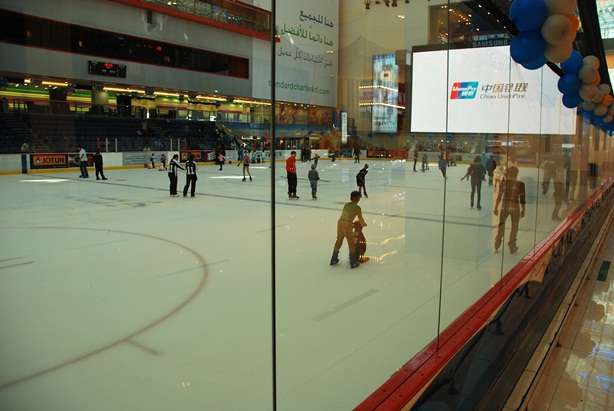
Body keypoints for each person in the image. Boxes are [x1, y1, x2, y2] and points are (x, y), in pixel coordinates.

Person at [330, 191, 367, 269]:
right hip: (347, 225)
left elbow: (347, 214)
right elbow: (360, 219)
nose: (359, 199)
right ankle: (353, 262)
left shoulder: (346, 205)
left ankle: (333, 259)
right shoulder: (357, 208)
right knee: (351, 243)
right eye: (359, 197)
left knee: (339, 241)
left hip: (340, 223)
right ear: (356, 198)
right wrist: (363, 224)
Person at [494, 166, 526, 254]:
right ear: (517, 174)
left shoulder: (504, 182)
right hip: (515, 208)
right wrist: (523, 209)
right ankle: (512, 246)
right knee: (514, 227)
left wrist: (496, 207)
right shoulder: (521, 184)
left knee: (501, 226)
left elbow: (499, 196)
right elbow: (522, 199)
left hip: (504, 207)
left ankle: (497, 244)